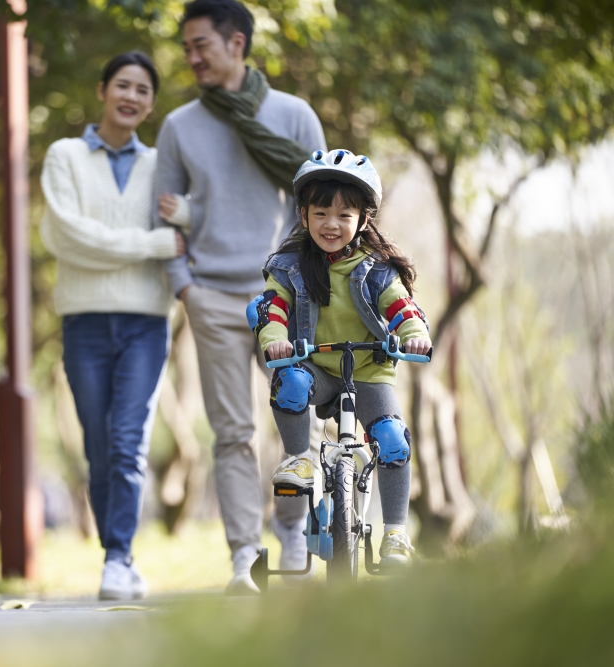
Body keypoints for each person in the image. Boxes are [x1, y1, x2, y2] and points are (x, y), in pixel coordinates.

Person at [153, 0, 327, 594]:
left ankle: (294, 530)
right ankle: (244, 558)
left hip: (284, 298)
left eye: (200, 45)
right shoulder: (179, 127)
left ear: (236, 43)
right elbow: (165, 218)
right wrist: (184, 286)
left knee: (298, 423)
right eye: (186, 49)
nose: (192, 58)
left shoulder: (294, 116)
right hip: (213, 299)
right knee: (232, 434)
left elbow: (323, 209)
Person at [40, 52, 187, 600]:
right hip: (83, 323)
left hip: (147, 323)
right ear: (102, 90)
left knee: (128, 441)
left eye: (143, 90)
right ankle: (117, 555)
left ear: (151, 104)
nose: (131, 97)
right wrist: (153, 244)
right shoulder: (65, 156)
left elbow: (195, 217)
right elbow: (67, 236)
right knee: (99, 448)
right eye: (122, 85)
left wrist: (183, 221)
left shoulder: (162, 164)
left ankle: (117, 558)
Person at [252, 148, 432, 566]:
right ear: (303, 215)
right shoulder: (290, 266)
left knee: (392, 439)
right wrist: (275, 339)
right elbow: (272, 308)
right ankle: (299, 460)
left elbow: (402, 308)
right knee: (289, 381)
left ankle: (395, 534)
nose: (331, 224)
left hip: (367, 372)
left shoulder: (376, 269)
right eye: (321, 213)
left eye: (344, 215)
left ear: (363, 220)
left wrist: (415, 335)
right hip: (315, 367)